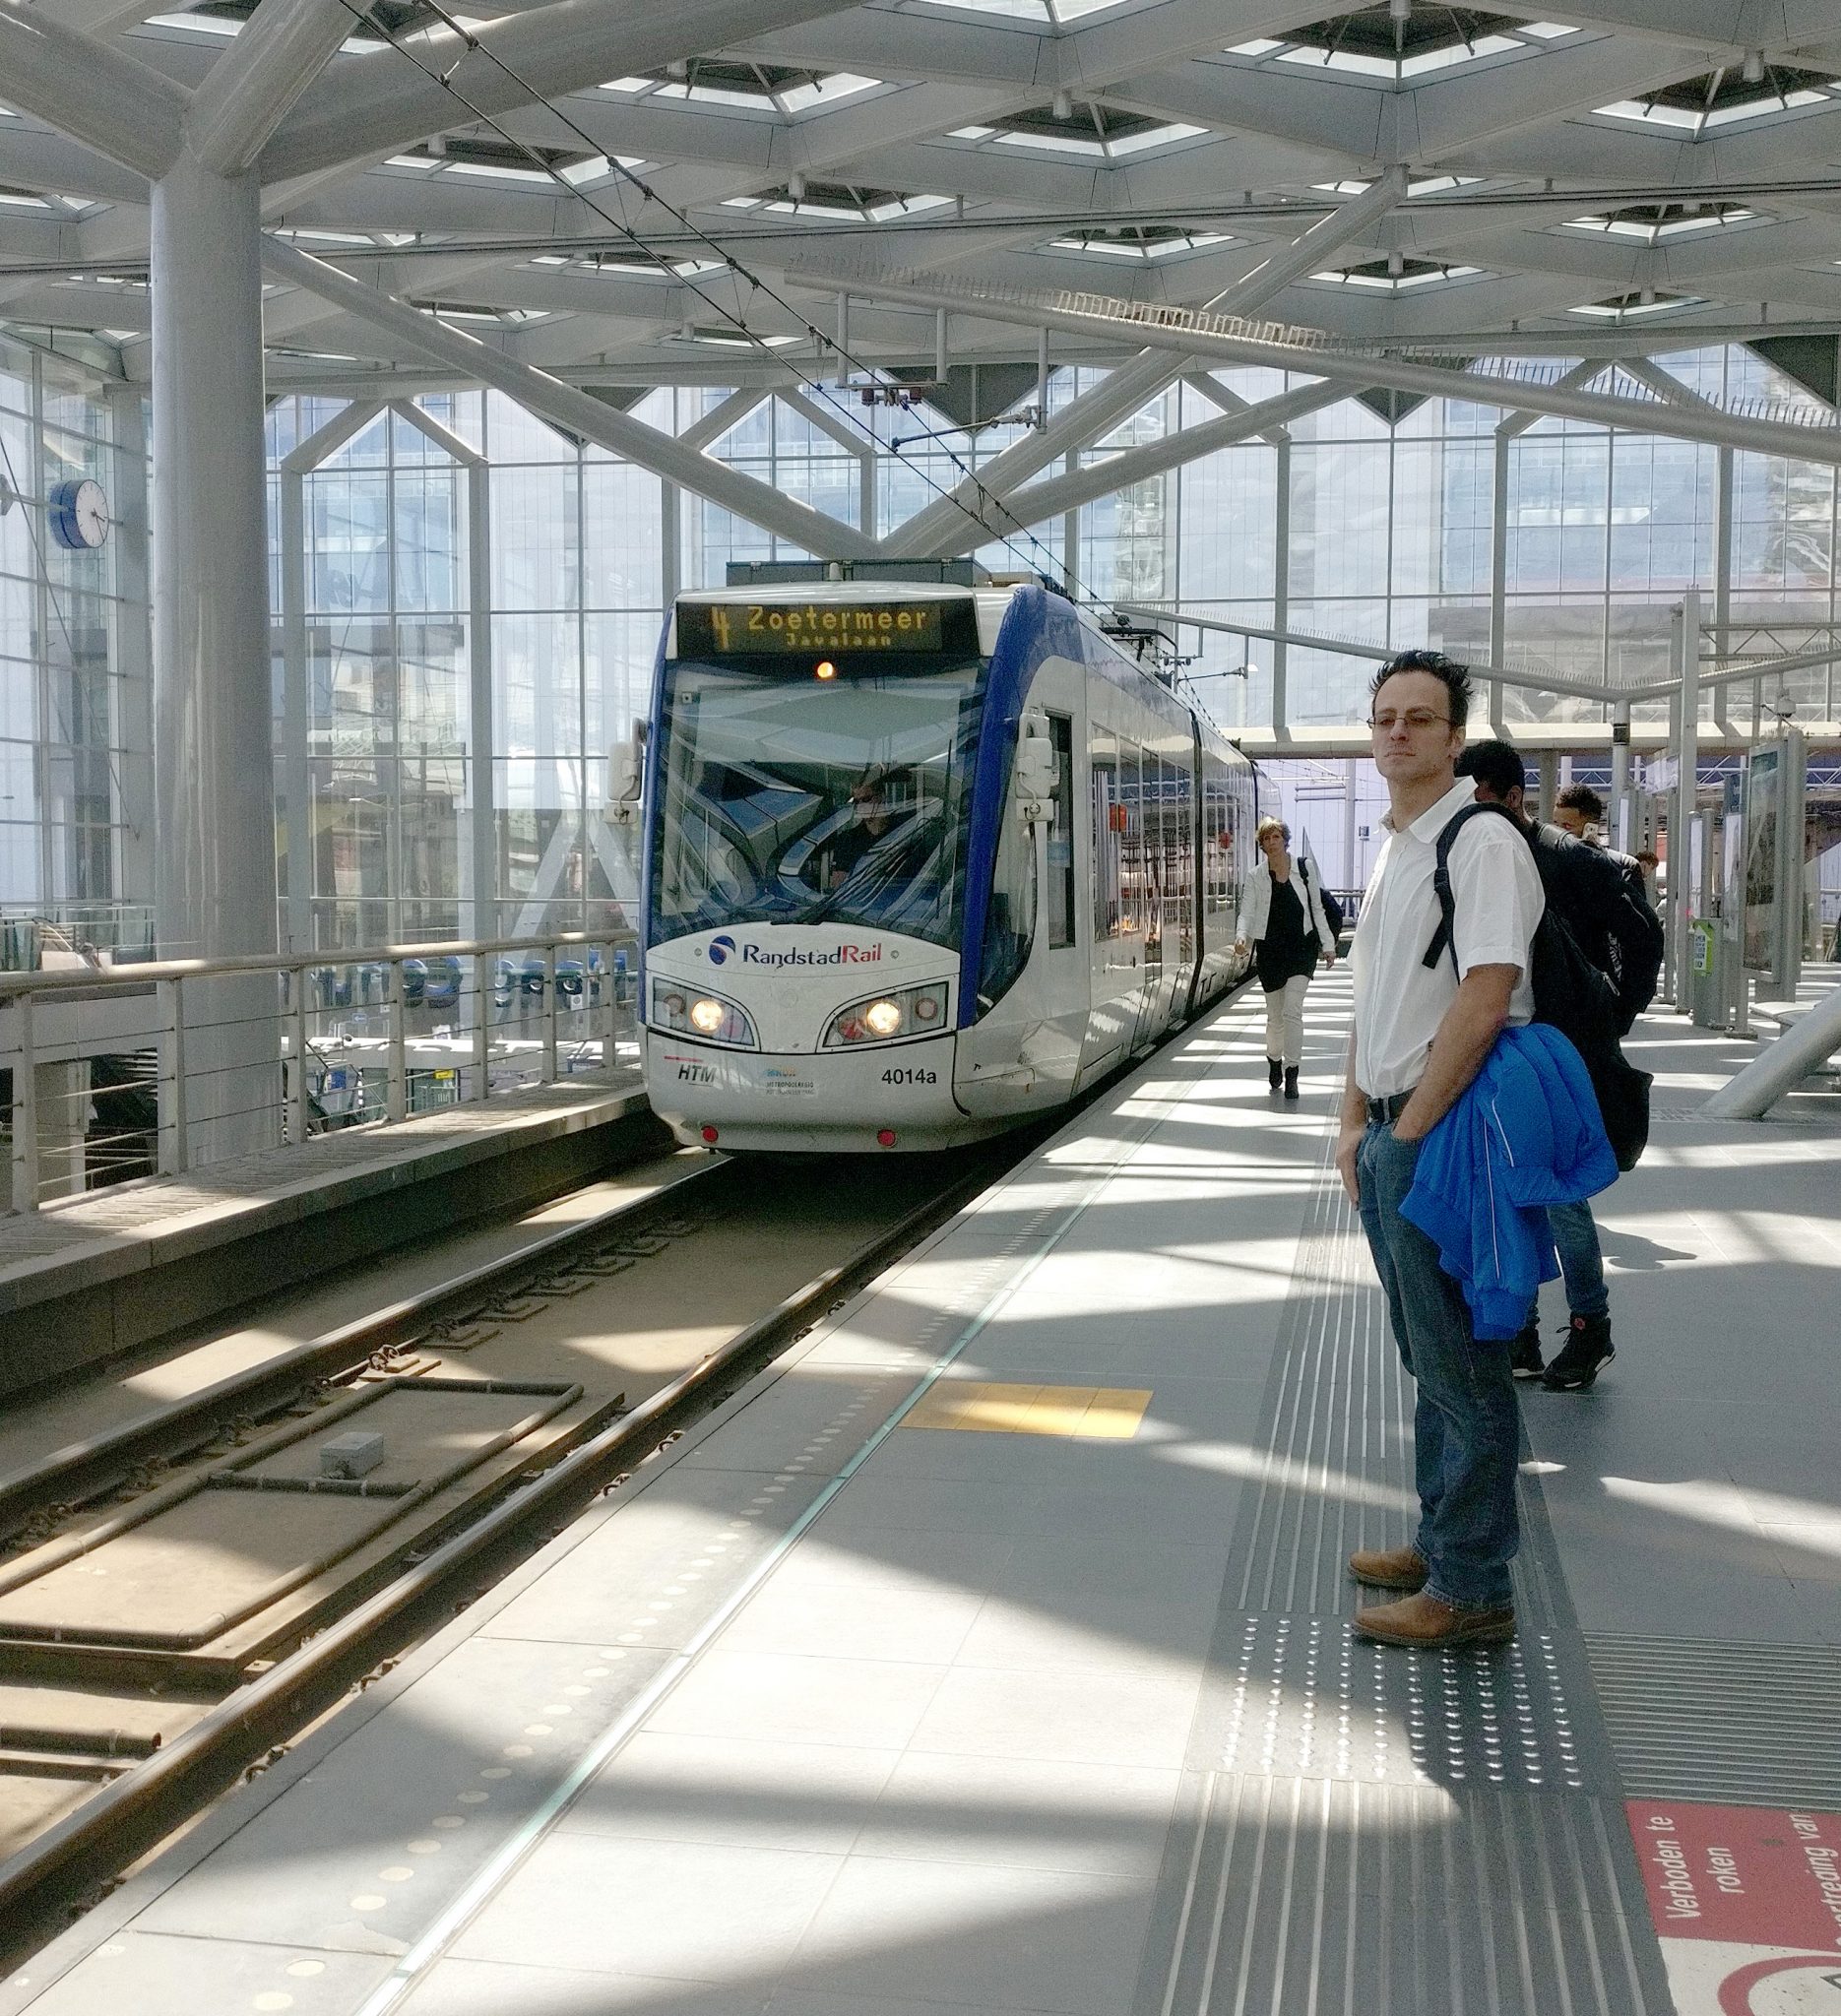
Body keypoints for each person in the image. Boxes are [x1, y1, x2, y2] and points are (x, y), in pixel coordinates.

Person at [1338, 649, 1545, 1651]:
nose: (1398, 733)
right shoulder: (1396, 845)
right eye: (1384, 718)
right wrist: (1352, 1119)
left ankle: (1471, 1587)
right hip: (1390, 1129)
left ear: (1453, 737)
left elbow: (1487, 989)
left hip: (1441, 1132)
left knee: (1463, 1364)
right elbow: (1374, 997)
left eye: (1420, 719)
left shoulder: (1478, 840)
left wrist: (1408, 1130)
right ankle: (1440, 1536)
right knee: (1428, 1355)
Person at [1454, 741, 1661, 1391]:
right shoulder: (1478, 855)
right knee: (1508, 1191)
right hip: (1505, 1050)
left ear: (1512, 799)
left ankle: (1588, 1326)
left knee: (1563, 1198)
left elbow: (1642, 934)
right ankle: (1520, 1330)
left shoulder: (1565, 859)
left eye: (1477, 804)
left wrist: (1614, 1014)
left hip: (1559, 1053)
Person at [1235, 816, 1337, 1100]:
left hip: (1301, 948)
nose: (1271, 843)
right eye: (1266, 839)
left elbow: (1317, 909)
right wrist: (1242, 936)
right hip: (1270, 951)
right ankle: (1274, 1060)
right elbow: (1247, 911)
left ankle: (1293, 1073)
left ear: (1284, 839)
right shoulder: (1256, 876)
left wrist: (1328, 945)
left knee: (1293, 1011)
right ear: (1262, 845)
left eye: (1276, 837)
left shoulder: (1304, 869)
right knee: (1275, 1018)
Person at [1554, 783, 1648, 906]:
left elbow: (1638, 920)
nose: (1558, 832)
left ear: (1590, 828)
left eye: (1567, 826)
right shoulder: (1545, 862)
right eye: (1555, 824)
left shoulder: (1624, 867)